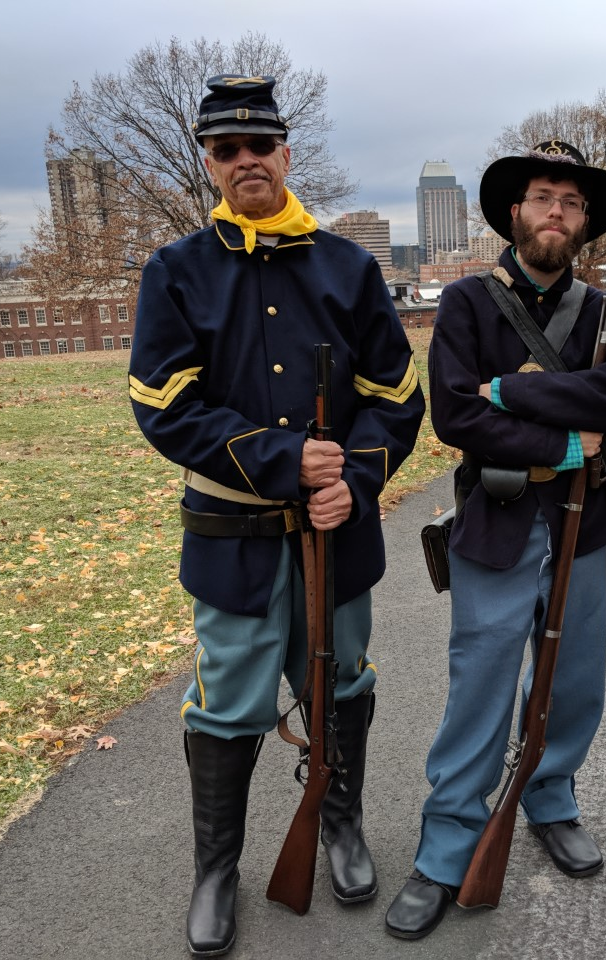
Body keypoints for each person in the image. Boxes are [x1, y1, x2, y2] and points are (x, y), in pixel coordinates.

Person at [128, 75, 425, 957]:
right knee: (225, 708)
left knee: (344, 682)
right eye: (227, 150)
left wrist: (357, 479)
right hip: (236, 542)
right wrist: (282, 459)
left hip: (340, 532)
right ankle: (216, 870)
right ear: (212, 165)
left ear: (286, 156)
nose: (245, 160)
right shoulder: (176, 272)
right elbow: (163, 403)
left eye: (260, 146)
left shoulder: (350, 266)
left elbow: (396, 397)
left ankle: (340, 825)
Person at [384, 140, 606, 940]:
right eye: (542, 198)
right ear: (513, 214)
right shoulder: (465, 304)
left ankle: (552, 797)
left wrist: (514, 391)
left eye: (570, 203)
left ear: (585, 222)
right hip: (496, 524)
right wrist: (564, 443)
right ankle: (446, 844)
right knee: (481, 690)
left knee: (573, 686)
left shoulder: (603, 314)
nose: (556, 213)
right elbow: (456, 414)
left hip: (585, 527)